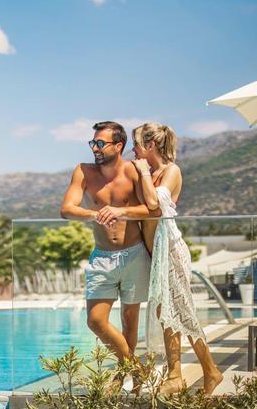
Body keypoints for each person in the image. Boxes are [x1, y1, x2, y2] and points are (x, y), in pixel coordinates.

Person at [133, 122, 223, 396]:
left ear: (150, 145)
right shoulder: (146, 173)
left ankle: (211, 371)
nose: (132, 150)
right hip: (155, 255)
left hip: (171, 251)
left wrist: (143, 172)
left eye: (136, 144)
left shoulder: (171, 171)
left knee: (183, 312)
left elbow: (154, 205)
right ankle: (176, 375)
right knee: (166, 313)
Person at [60, 121, 152, 372]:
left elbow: (151, 209)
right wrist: (96, 214)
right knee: (96, 321)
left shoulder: (133, 171)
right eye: (93, 143)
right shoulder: (83, 171)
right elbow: (66, 209)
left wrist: (120, 211)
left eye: (101, 143)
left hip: (134, 254)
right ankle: (136, 370)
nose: (95, 148)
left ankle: (126, 379)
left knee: (130, 322)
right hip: (102, 257)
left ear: (118, 145)